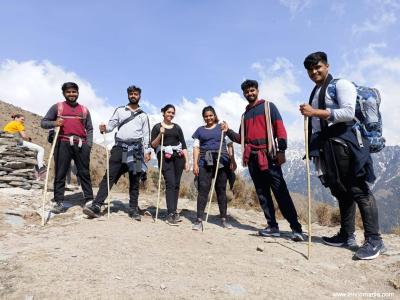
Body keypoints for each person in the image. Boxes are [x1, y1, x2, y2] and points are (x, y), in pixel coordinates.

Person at [300, 51, 385, 260]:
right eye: (310, 69)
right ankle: (346, 235)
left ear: (327, 66)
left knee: (358, 189)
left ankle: (375, 240)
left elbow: (348, 112)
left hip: (347, 143)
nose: (314, 71)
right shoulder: (316, 91)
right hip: (329, 146)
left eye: (317, 67)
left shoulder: (341, 84)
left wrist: (315, 113)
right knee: (341, 190)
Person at [221, 80, 304, 241]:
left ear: (257, 91)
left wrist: (281, 150)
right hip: (252, 158)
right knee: (262, 193)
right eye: (246, 92)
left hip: (269, 156)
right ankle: (272, 226)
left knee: (281, 191)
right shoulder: (244, 115)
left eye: (252, 90)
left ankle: (296, 228)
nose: (249, 94)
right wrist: (228, 131)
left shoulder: (268, 107)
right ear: (244, 94)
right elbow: (242, 138)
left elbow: (280, 128)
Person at [83, 85, 151, 221]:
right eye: (131, 93)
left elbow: (146, 134)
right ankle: (96, 205)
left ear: (139, 96)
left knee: (135, 179)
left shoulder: (144, 115)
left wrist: (147, 151)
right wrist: (105, 128)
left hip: (136, 150)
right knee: (110, 177)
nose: (133, 95)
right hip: (120, 149)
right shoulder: (120, 111)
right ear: (128, 95)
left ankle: (133, 209)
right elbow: (111, 125)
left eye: (135, 94)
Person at [41, 82, 94, 213]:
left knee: (84, 172)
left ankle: (89, 200)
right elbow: (43, 122)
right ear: (64, 93)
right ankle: (59, 202)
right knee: (60, 172)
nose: (71, 94)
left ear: (78, 93)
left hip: (81, 144)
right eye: (68, 92)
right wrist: (55, 123)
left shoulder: (84, 110)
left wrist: (89, 144)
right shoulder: (57, 107)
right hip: (62, 142)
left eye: (74, 92)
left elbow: (90, 128)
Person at [192, 106, 237, 231]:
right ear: (203, 117)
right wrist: (195, 164)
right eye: (206, 116)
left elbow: (229, 144)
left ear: (214, 115)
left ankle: (223, 219)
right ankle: (198, 220)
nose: (209, 118)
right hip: (204, 162)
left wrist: (232, 160)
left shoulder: (221, 128)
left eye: (211, 115)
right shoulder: (199, 131)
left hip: (222, 162)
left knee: (221, 191)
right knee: (203, 191)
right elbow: (196, 148)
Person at [151, 104, 190, 225]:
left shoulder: (177, 127)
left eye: (173, 113)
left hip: (178, 157)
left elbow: (183, 144)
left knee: (176, 184)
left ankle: (174, 211)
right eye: (168, 112)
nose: (171, 114)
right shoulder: (157, 127)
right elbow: (153, 144)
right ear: (163, 112)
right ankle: (170, 213)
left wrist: (187, 161)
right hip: (164, 156)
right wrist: (160, 134)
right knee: (170, 183)